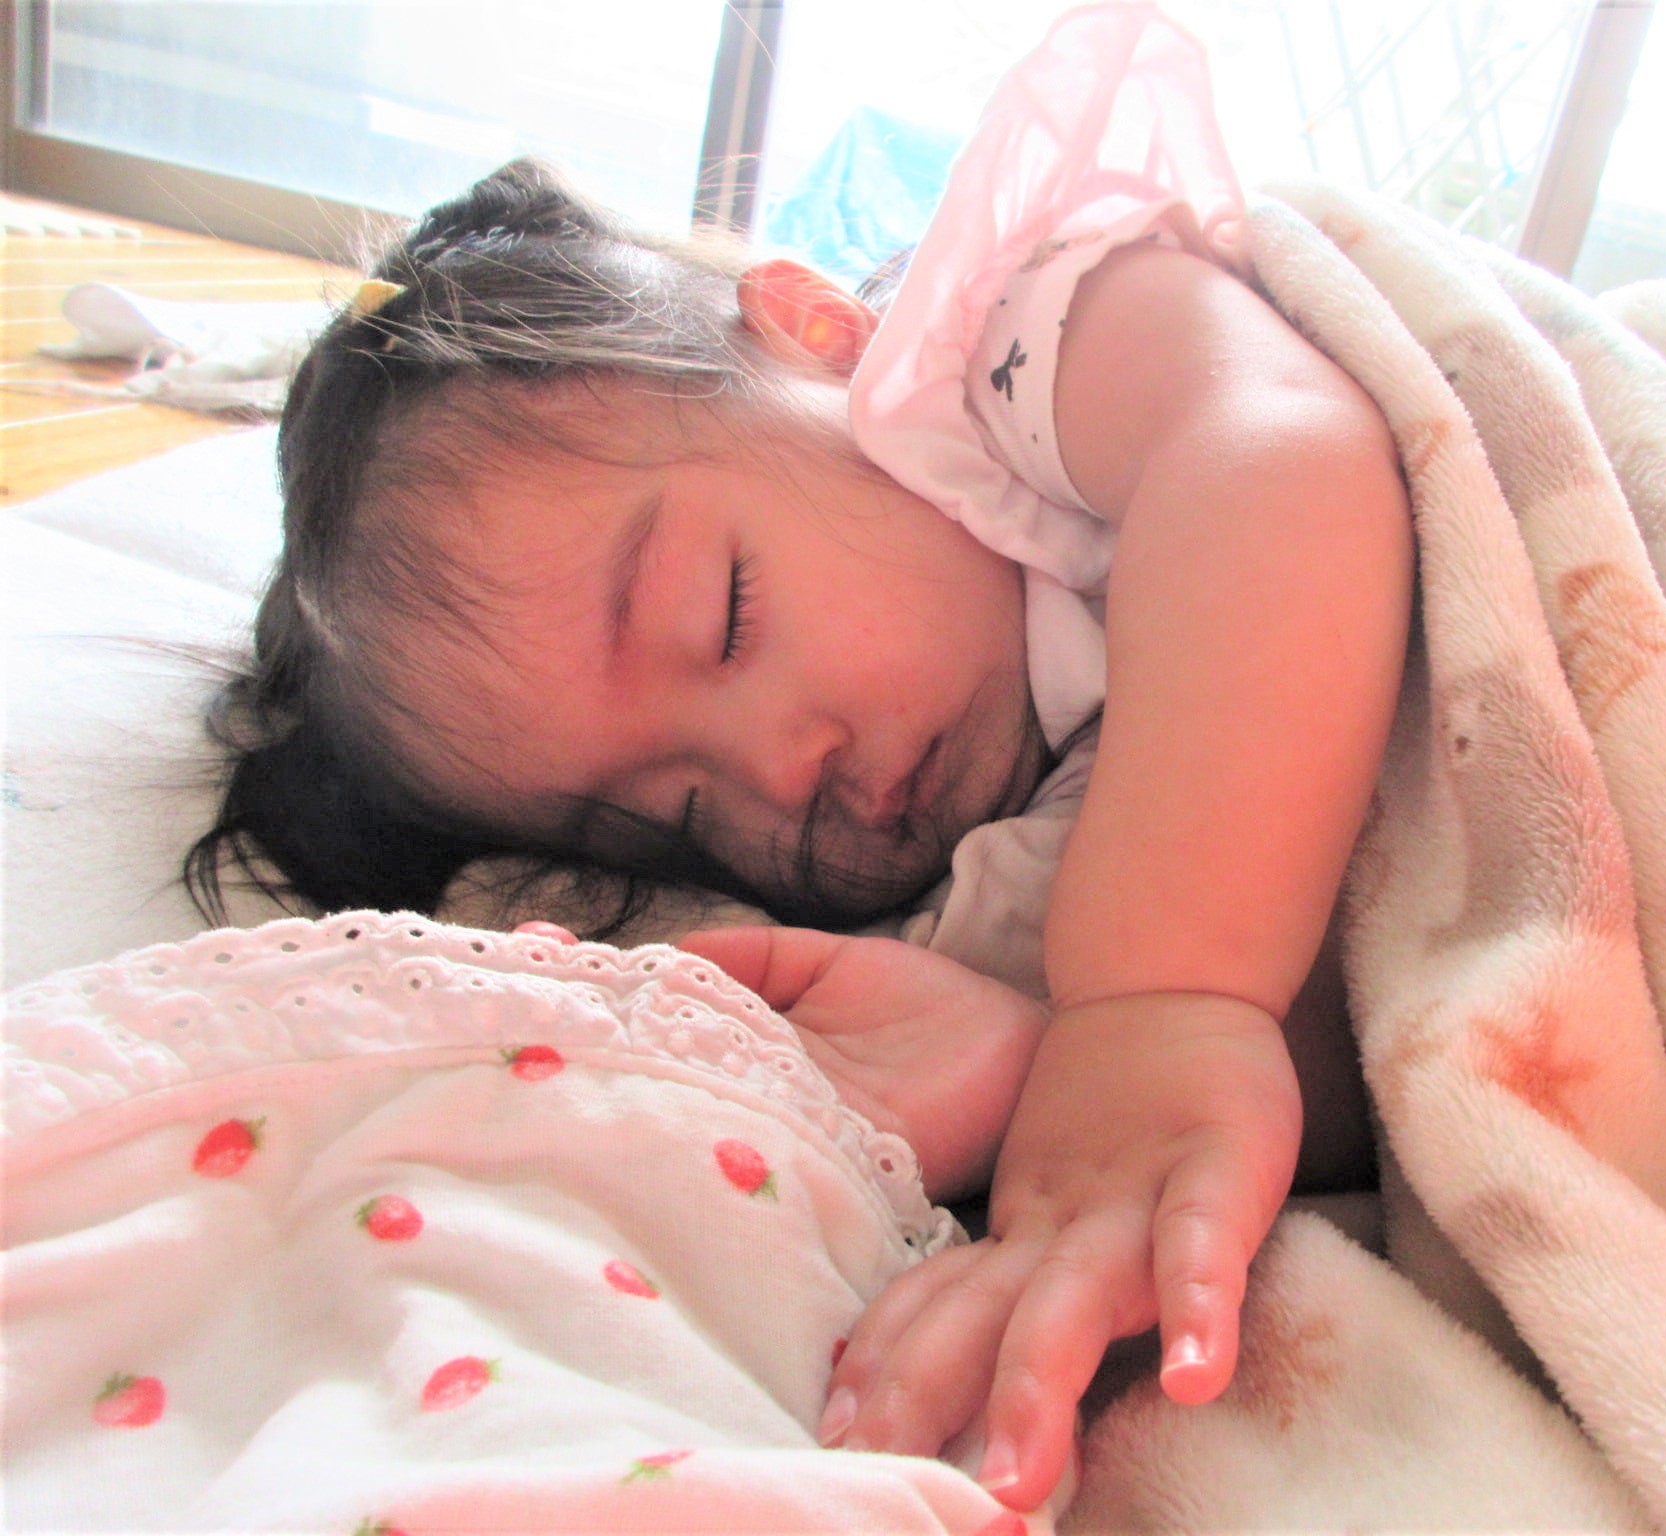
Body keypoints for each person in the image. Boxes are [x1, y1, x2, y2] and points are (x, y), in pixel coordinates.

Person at [190, 3, 1411, 1513]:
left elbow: (1283, 456)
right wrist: (1043, 1064)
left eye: (723, 615)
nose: (780, 774)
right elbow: (1353, 1057)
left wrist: (1155, 999)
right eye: (676, 811)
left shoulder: (1016, 356)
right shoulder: (983, 898)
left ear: (821, 342)